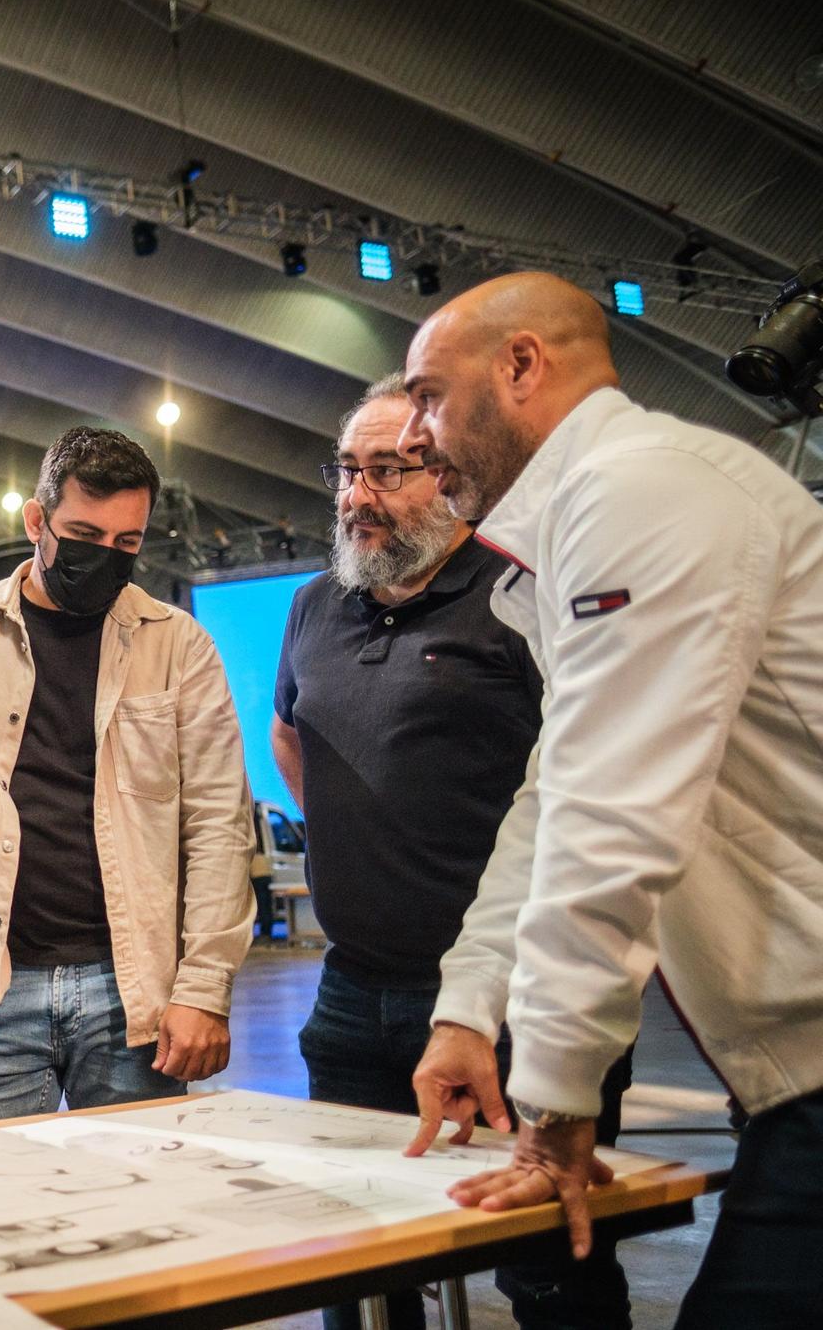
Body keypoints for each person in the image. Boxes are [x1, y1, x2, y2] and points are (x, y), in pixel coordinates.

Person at [397, 272, 823, 1325]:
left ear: (521, 365)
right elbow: (555, 798)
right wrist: (468, 1007)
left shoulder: (637, 491)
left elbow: (610, 818)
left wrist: (548, 1097)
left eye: (426, 395)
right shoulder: (587, 519)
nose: (414, 433)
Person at [272, 374, 631, 1330]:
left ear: (456, 478)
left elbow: (584, 780)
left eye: (390, 470)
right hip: (350, 997)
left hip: (513, 999)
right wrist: (358, 843)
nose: (359, 495)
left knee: (547, 1259)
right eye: (348, 470)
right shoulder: (314, 606)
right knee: (354, 1259)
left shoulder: (521, 594)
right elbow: (289, 734)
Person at [0, 426, 254, 1122]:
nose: (104, 557)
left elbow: (219, 823)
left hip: (136, 993)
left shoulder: (179, 646)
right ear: (36, 520)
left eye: (127, 544)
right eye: (83, 534)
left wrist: (204, 985)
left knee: (139, 1215)